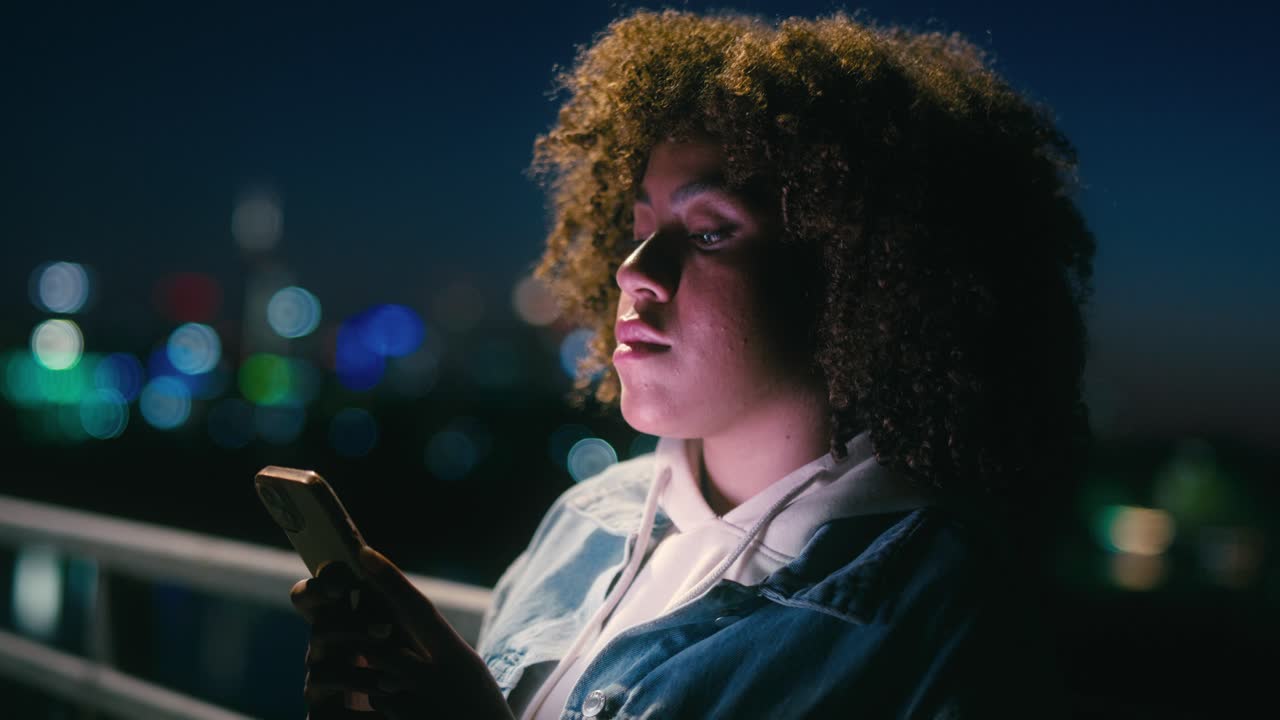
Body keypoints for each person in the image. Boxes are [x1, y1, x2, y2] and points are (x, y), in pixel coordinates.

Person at [290, 9, 1095, 719]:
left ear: (860, 277)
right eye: (640, 225)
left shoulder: (937, 616)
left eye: (710, 231)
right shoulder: (587, 520)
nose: (633, 268)